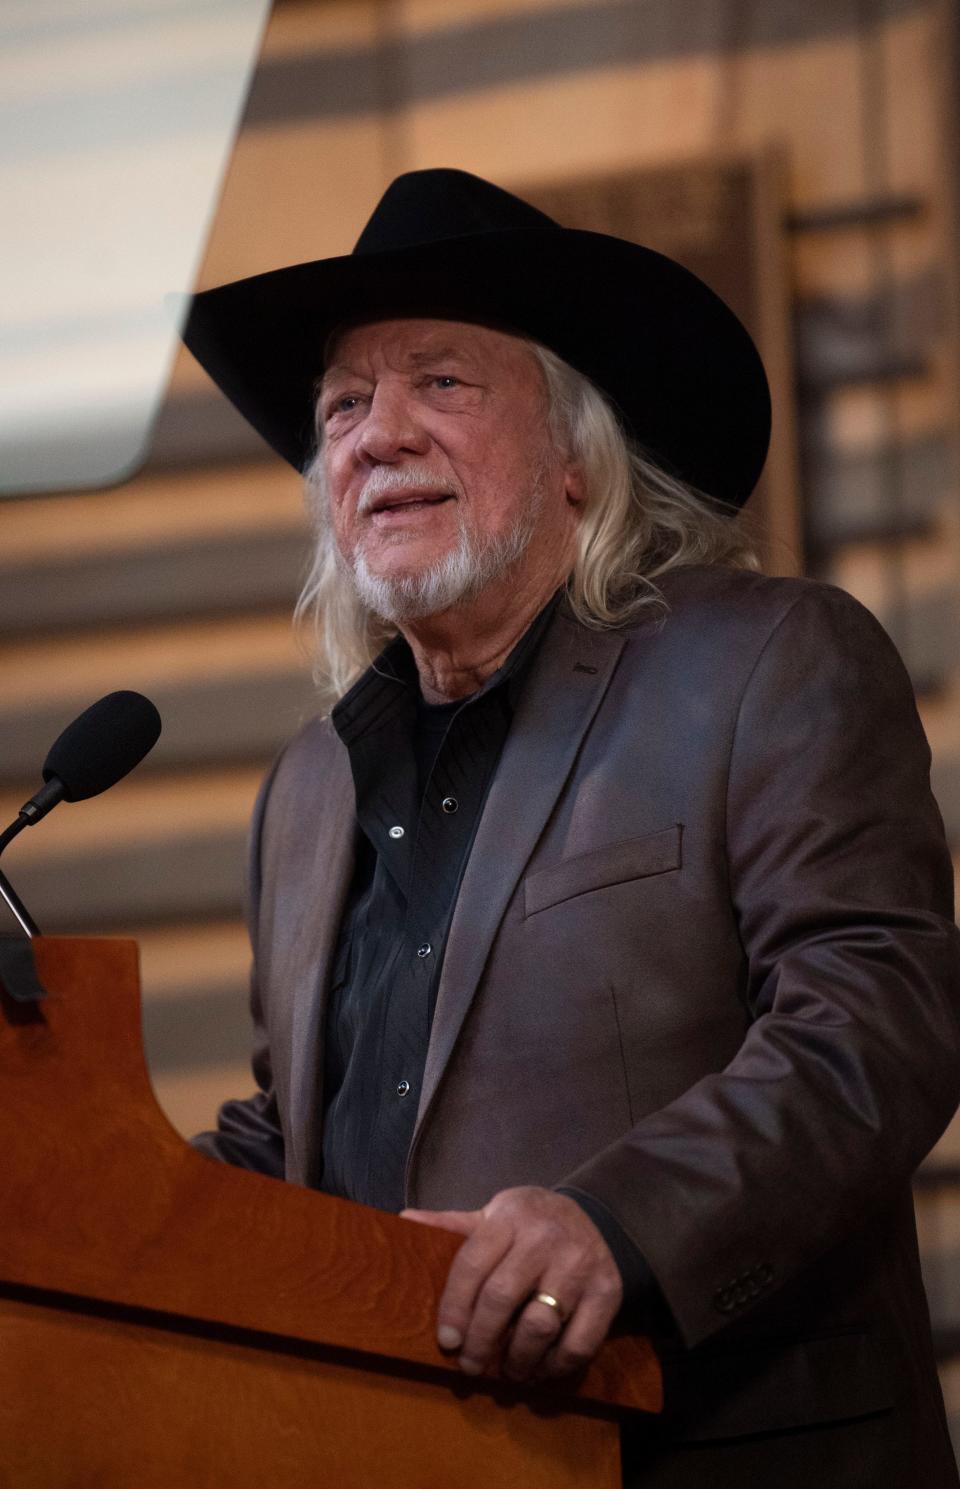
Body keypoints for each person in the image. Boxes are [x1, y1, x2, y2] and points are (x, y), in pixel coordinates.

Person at [184, 169, 960, 1485]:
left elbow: (875, 1021)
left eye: (441, 383)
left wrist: (619, 1229)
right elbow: (310, 1130)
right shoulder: (303, 793)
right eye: (343, 406)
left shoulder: (769, 663)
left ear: (577, 458)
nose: (375, 435)